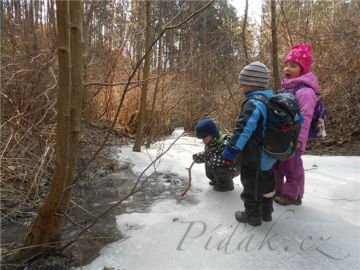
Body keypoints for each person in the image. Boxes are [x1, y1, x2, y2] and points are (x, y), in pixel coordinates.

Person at [221, 62, 277, 226]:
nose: (241, 87)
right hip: (271, 154)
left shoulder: (254, 103)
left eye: (242, 84)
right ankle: (267, 213)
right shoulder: (272, 100)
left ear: (250, 84)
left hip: (254, 156)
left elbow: (243, 130)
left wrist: (230, 151)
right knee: (267, 183)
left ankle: (252, 216)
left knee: (251, 186)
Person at [273, 43, 319, 206]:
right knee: (278, 163)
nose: (287, 68)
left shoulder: (305, 92)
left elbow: (305, 117)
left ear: (303, 69)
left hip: (294, 137)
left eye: (293, 65)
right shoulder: (285, 89)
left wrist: (299, 140)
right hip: (281, 136)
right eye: (286, 65)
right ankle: (278, 190)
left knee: (291, 166)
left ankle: (293, 195)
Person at [193, 118, 238, 192]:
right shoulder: (210, 143)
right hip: (221, 166)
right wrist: (199, 157)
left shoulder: (225, 142)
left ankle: (226, 185)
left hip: (233, 167)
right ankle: (217, 181)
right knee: (209, 162)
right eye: (202, 140)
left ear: (212, 135)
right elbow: (208, 154)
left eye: (205, 139)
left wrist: (214, 161)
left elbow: (232, 157)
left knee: (213, 163)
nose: (203, 142)